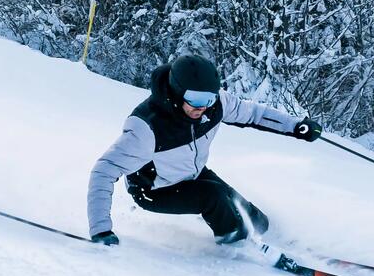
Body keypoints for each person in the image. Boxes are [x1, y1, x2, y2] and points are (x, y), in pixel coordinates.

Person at [86, 53, 321, 246]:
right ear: (177, 92)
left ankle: (269, 237)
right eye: (196, 99)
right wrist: (101, 231)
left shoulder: (214, 105)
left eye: (209, 98)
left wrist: (295, 126)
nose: (203, 107)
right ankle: (239, 247)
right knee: (214, 198)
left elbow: (254, 114)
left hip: (193, 174)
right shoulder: (147, 127)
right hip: (154, 190)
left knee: (244, 209)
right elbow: (103, 171)